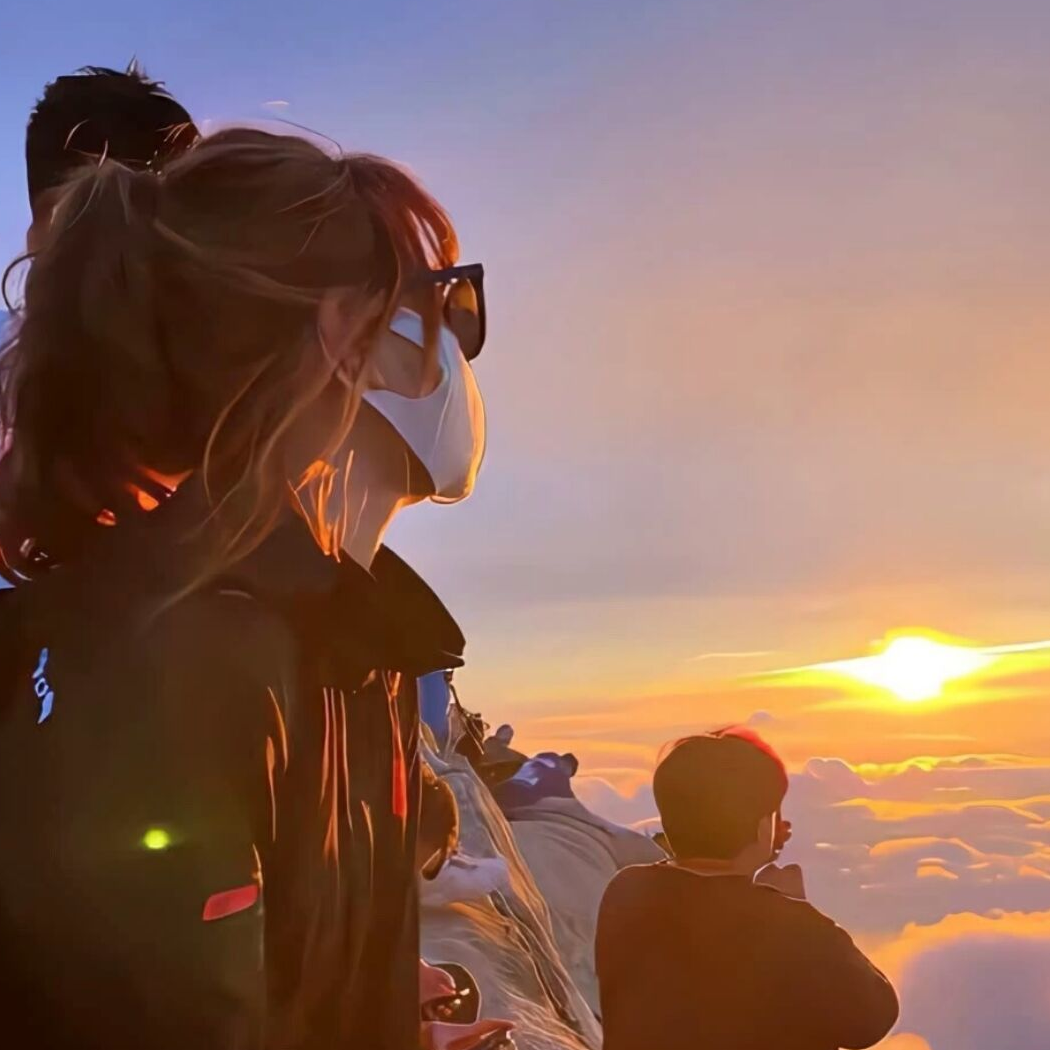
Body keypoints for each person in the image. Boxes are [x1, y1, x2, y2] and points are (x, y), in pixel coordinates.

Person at [0, 126, 486, 1049]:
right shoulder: (176, 670)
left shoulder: (344, 643)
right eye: (445, 305)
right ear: (345, 334)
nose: (462, 344)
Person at [595, 729, 899, 1050]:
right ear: (761, 826)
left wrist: (763, 895)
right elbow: (871, 1019)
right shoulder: (792, 925)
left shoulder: (627, 891)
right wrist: (793, 907)